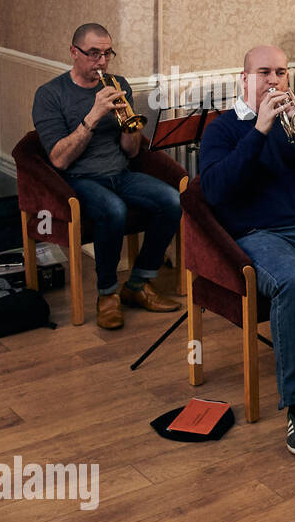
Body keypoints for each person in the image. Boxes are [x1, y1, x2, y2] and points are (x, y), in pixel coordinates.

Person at [198, 45, 295, 457]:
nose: (275, 80)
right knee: (294, 282)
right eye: (264, 72)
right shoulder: (223, 130)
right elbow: (216, 190)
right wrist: (259, 130)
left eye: (281, 72)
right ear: (242, 79)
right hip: (259, 234)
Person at [31, 22, 182, 329]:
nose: (101, 61)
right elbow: (59, 159)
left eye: (107, 53)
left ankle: (139, 283)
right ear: (74, 53)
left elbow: (131, 153)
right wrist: (93, 116)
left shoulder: (118, 83)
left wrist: (132, 130)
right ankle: (107, 294)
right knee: (114, 210)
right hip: (79, 180)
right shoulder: (50, 94)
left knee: (173, 200)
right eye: (93, 54)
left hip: (120, 173)